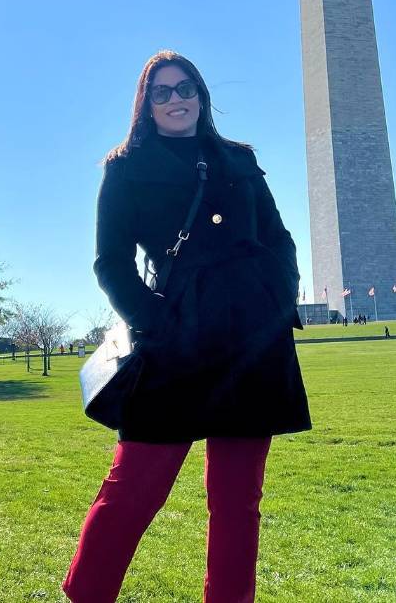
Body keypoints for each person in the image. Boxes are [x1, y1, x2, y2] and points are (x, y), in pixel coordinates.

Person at [62, 51, 311, 603]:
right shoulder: (125, 166)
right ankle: (86, 596)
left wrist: (276, 299)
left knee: (238, 501)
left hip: (253, 341)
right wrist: (156, 324)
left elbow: (279, 238)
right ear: (146, 105)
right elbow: (111, 263)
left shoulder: (240, 160)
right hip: (176, 338)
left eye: (185, 88)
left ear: (201, 95)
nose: (176, 100)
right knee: (133, 488)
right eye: (162, 92)